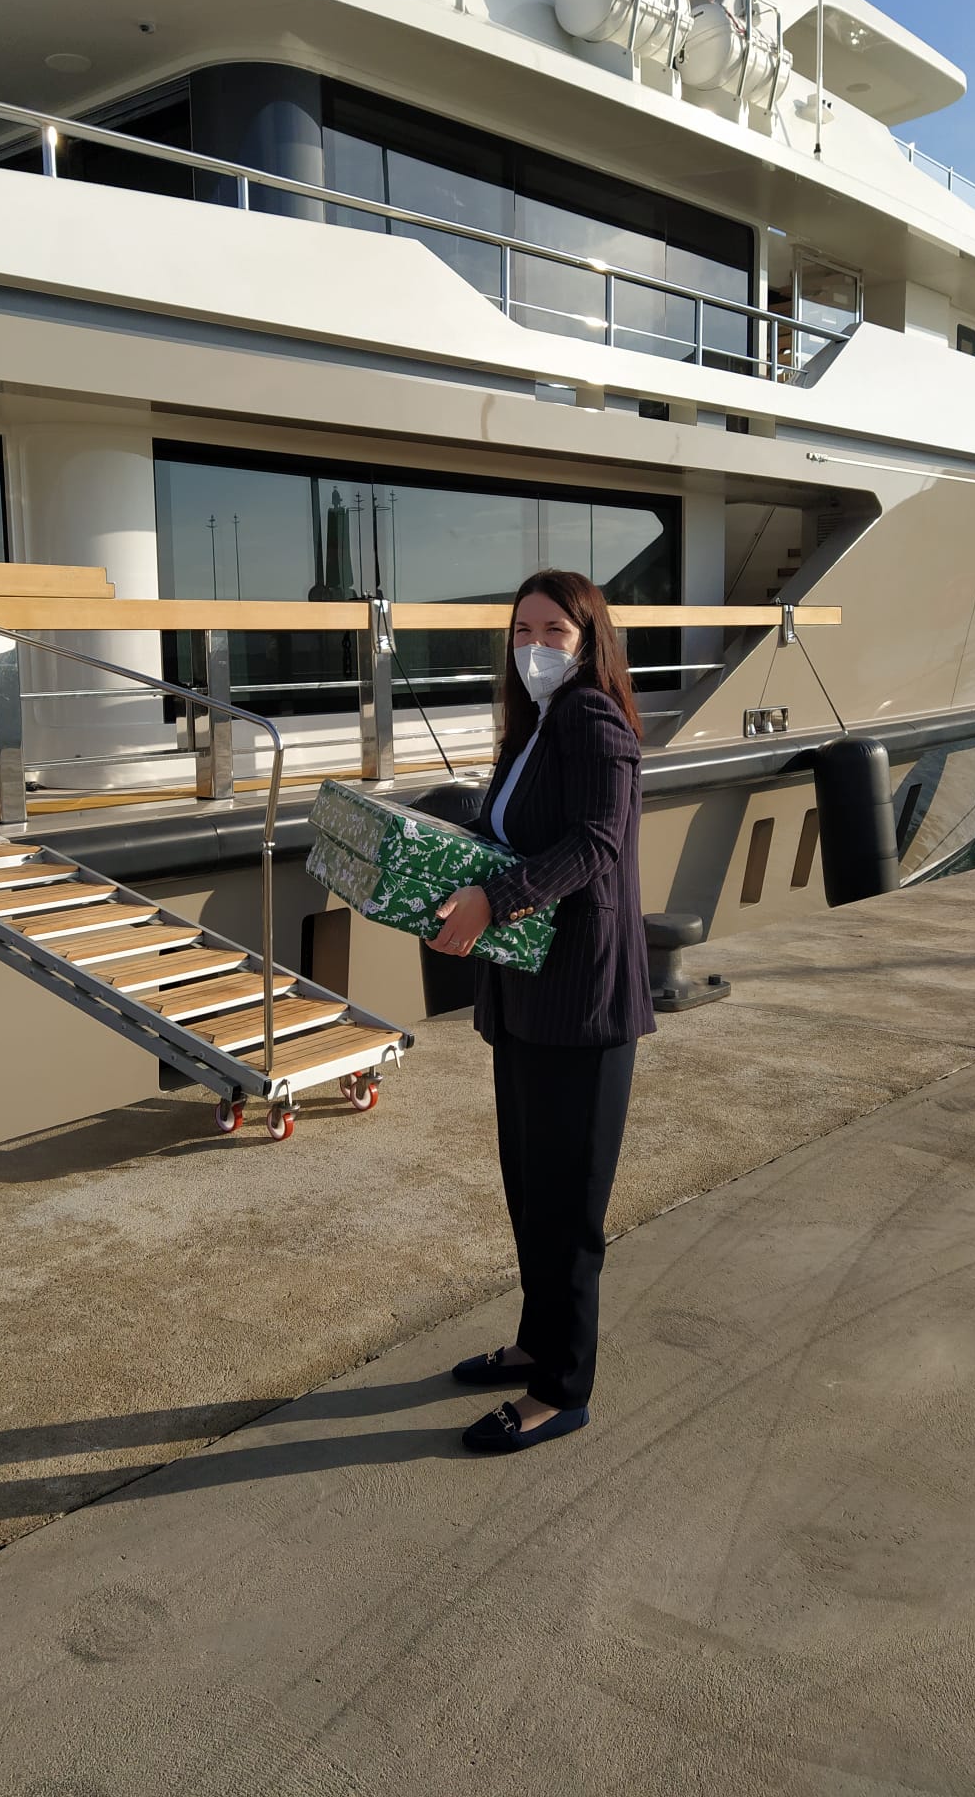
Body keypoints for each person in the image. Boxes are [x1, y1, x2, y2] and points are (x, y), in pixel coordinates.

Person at [427, 569, 654, 1454]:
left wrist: (499, 896)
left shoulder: (594, 720)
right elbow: (513, 832)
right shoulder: (533, 729)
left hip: (582, 997)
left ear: (588, 640)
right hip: (524, 994)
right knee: (529, 1183)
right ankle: (535, 1342)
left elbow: (599, 841)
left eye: (554, 630)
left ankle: (563, 1388)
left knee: (569, 1203)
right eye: (522, 629)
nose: (535, 645)